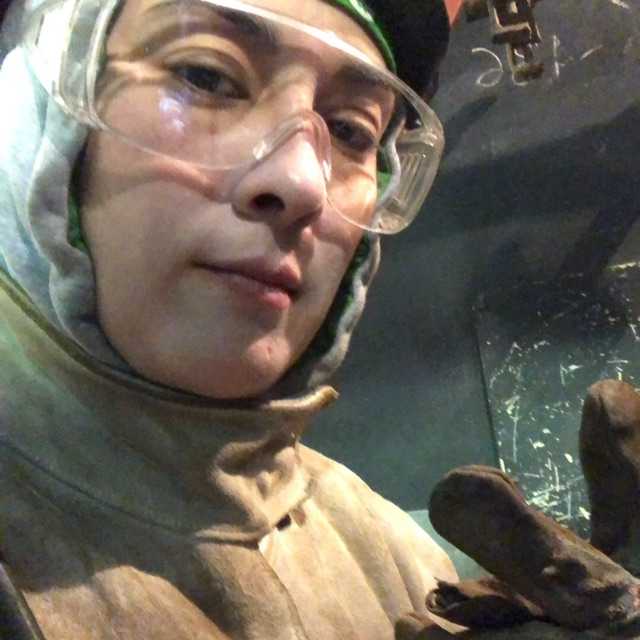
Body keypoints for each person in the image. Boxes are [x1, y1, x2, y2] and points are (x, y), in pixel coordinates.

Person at [0, 1, 638, 639]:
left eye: (352, 132)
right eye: (206, 75)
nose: (303, 182)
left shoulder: (393, 554)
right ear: (40, 108)